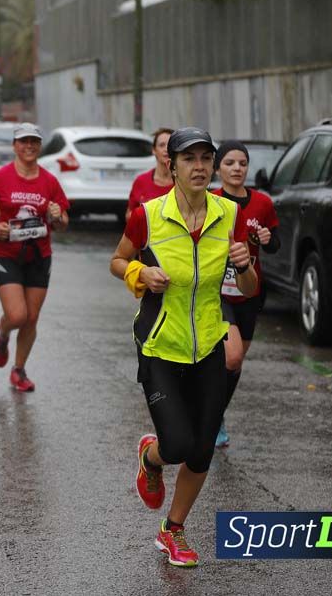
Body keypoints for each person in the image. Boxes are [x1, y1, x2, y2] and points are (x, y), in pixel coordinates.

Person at [109, 126, 257, 568]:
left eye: (205, 158)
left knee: (202, 447)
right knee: (176, 444)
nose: (199, 167)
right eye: (189, 159)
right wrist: (141, 275)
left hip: (208, 342)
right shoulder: (148, 215)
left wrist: (246, 265)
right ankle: (150, 456)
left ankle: (172, 530)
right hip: (159, 344)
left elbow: (248, 289)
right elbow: (118, 261)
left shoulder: (229, 214)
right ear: (171, 166)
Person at [0, 123, 69, 392]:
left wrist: (56, 216)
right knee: (17, 315)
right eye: (23, 141)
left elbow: (63, 220)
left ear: (39, 146)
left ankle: (18, 370)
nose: (29, 146)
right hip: (6, 252)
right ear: (14, 146)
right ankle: (3, 333)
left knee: (31, 318)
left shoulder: (49, 181)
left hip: (39, 254)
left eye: (34, 142)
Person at [212, 141, 280, 448]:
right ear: (218, 168)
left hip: (250, 290)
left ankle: (217, 414)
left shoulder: (262, 203)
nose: (237, 168)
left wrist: (267, 238)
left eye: (242, 163)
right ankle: (210, 416)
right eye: (229, 163)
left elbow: (275, 243)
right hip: (218, 292)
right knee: (233, 355)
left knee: (235, 365)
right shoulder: (210, 201)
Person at [126, 127, 175, 221]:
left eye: (170, 145)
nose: (166, 149)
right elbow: (129, 215)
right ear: (154, 150)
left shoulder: (184, 182)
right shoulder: (141, 181)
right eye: (162, 145)